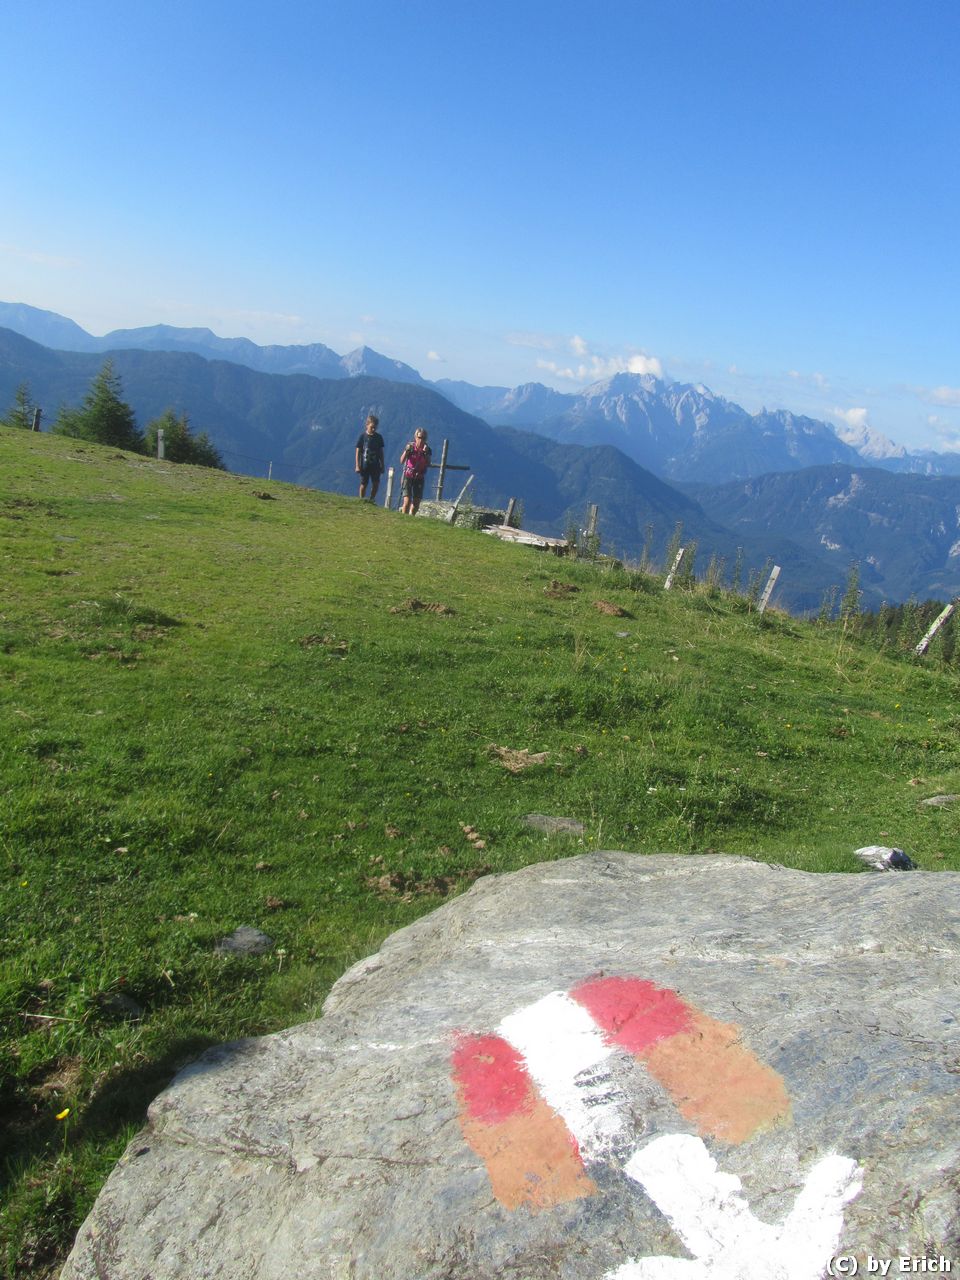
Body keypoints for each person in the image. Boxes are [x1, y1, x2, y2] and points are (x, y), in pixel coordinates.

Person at [400, 428, 432, 514]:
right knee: (407, 501)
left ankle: (411, 518)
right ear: (415, 437)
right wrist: (406, 451)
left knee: (416, 503)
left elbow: (428, 464)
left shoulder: (427, 449)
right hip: (408, 476)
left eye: (424, 438)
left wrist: (425, 454)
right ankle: (403, 519)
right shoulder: (410, 447)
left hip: (419, 477)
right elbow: (402, 461)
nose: (421, 440)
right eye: (420, 437)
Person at [355, 414, 385, 500]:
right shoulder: (362, 437)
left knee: (376, 483)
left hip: (375, 465)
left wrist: (382, 465)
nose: (373, 429)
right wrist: (357, 465)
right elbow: (358, 451)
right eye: (371, 427)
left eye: (375, 427)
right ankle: (361, 499)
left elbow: (381, 452)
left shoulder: (379, 437)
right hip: (365, 465)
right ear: (367, 425)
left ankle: (371, 499)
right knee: (364, 483)